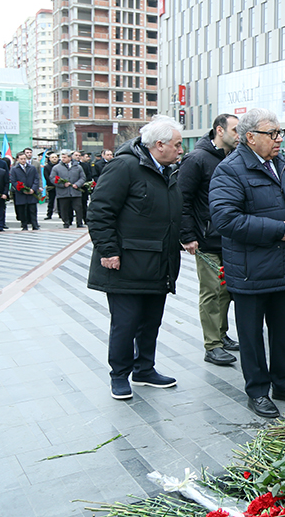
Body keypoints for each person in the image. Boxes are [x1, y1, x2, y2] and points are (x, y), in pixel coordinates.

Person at [210, 108, 285, 418]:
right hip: (250, 271)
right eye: (273, 134)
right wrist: (275, 229)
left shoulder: (284, 166)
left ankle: (283, 383)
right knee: (251, 337)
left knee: (281, 331)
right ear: (250, 137)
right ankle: (257, 390)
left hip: (283, 267)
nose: (279, 139)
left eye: (280, 133)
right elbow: (225, 219)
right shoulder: (230, 170)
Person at [86, 116, 185, 401]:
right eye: (177, 145)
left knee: (151, 321)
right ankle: (119, 375)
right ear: (159, 145)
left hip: (159, 263)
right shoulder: (125, 166)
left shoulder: (168, 171)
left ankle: (144, 369)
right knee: (125, 324)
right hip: (126, 264)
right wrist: (108, 250)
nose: (181, 150)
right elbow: (100, 211)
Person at [179, 113, 241, 367]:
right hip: (205, 239)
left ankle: (221, 335)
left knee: (226, 290)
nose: (239, 134)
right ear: (219, 130)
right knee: (211, 291)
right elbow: (182, 199)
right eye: (235, 130)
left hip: (229, 237)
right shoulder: (197, 159)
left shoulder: (233, 157)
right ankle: (212, 345)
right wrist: (187, 236)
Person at [51, 151, 85, 228]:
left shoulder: (78, 167)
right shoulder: (56, 168)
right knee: (64, 209)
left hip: (75, 192)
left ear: (70, 158)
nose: (63, 159)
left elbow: (82, 177)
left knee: (78, 208)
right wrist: (62, 184)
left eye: (65, 157)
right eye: (62, 157)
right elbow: (52, 178)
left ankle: (79, 223)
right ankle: (66, 222)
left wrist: (77, 184)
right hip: (63, 192)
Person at [9, 151, 41, 230]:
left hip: (31, 192)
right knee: (22, 210)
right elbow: (13, 181)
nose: (23, 160)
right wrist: (21, 189)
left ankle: (35, 225)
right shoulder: (14, 169)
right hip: (21, 193)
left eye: (24, 159)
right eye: (21, 159)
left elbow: (36, 178)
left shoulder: (32, 168)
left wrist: (33, 189)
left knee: (33, 210)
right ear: (17, 159)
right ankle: (24, 225)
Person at [77, 151, 94, 225]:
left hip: (83, 187)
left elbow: (89, 175)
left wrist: (85, 183)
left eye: (78, 155)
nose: (77, 157)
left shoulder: (86, 165)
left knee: (84, 204)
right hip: (74, 187)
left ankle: (85, 219)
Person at [43, 152, 60, 220]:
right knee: (51, 201)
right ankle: (49, 214)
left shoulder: (60, 166)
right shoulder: (47, 167)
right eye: (53, 157)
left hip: (59, 186)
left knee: (60, 201)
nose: (54, 159)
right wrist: (53, 183)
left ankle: (61, 214)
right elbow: (47, 177)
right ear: (49, 159)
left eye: (56, 157)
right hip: (51, 186)